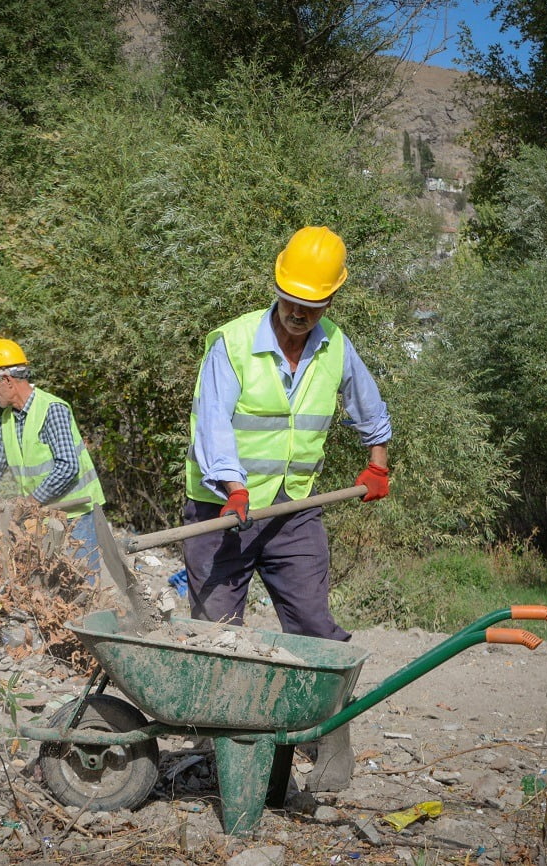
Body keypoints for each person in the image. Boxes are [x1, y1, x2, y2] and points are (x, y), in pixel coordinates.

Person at [182, 225, 392, 791]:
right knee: (218, 631)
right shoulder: (230, 343)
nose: (300, 314)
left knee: (315, 626)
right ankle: (218, 750)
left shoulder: (335, 347)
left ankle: (329, 743)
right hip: (223, 510)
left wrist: (377, 461)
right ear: (278, 288)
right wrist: (233, 485)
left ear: (329, 300)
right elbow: (212, 424)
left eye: (312, 305)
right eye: (292, 302)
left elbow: (367, 406)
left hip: (295, 509)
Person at [0, 338, 106, 580]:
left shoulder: (52, 409)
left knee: (84, 586)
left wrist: (30, 502)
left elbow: (68, 467)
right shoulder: (8, 420)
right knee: (53, 589)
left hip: (76, 515)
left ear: (7, 380)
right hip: (44, 517)